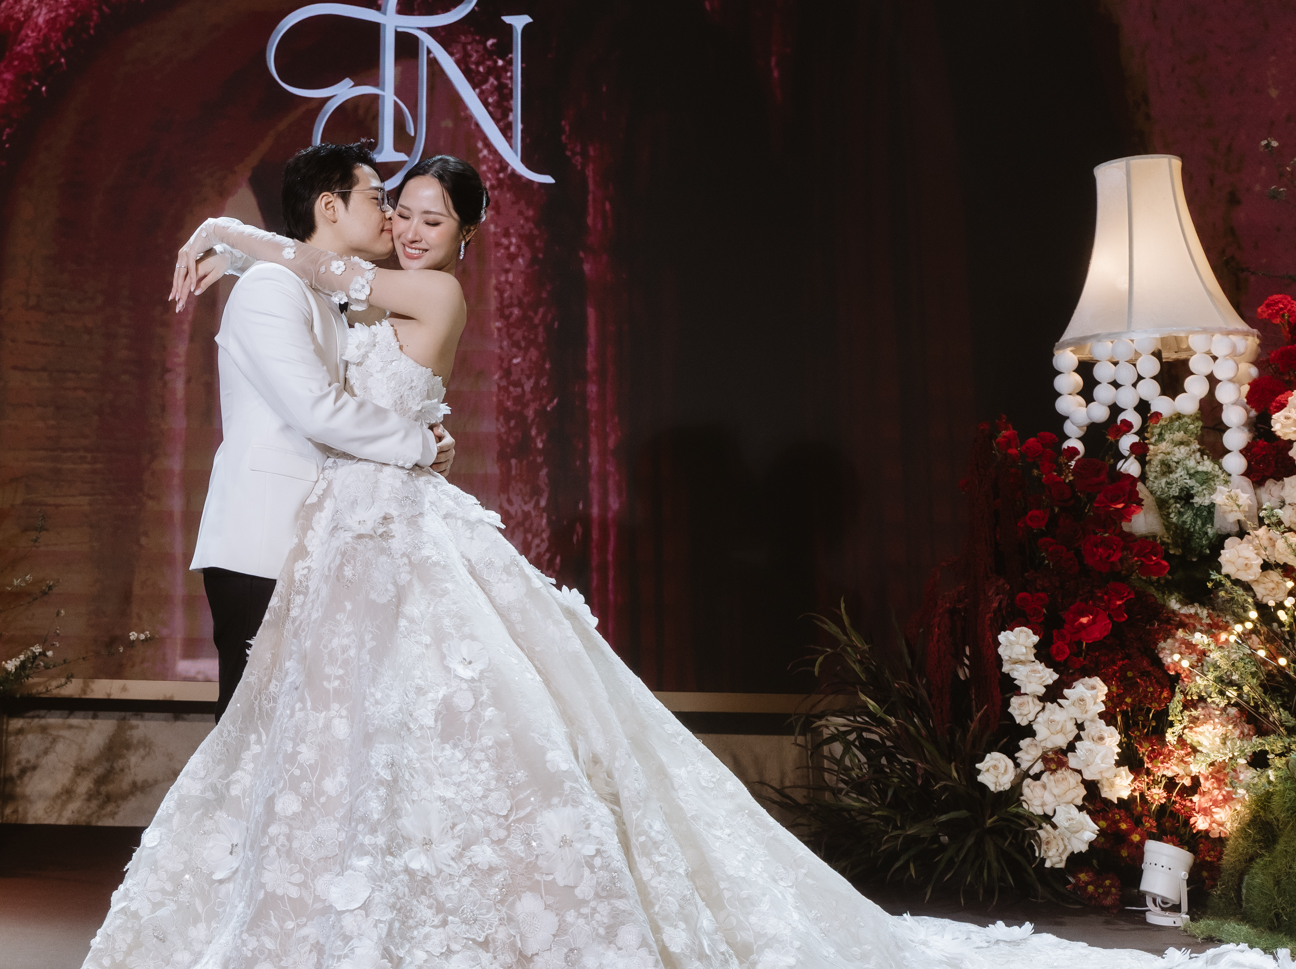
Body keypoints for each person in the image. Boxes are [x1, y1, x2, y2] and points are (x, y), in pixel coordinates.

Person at [89, 154, 1168, 968]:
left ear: (463, 235)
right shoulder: (349, 290)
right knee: (358, 719)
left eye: (429, 217)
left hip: (389, 520)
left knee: (439, 708)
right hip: (348, 526)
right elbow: (326, 324)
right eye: (400, 210)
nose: (408, 229)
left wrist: (230, 233)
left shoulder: (432, 292)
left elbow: (326, 288)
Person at [185, 143, 456, 720]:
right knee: (249, 736)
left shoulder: (326, 299)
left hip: (314, 545)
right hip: (263, 543)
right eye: (379, 199)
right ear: (330, 207)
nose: (391, 216)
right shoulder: (271, 288)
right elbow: (317, 410)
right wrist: (420, 445)